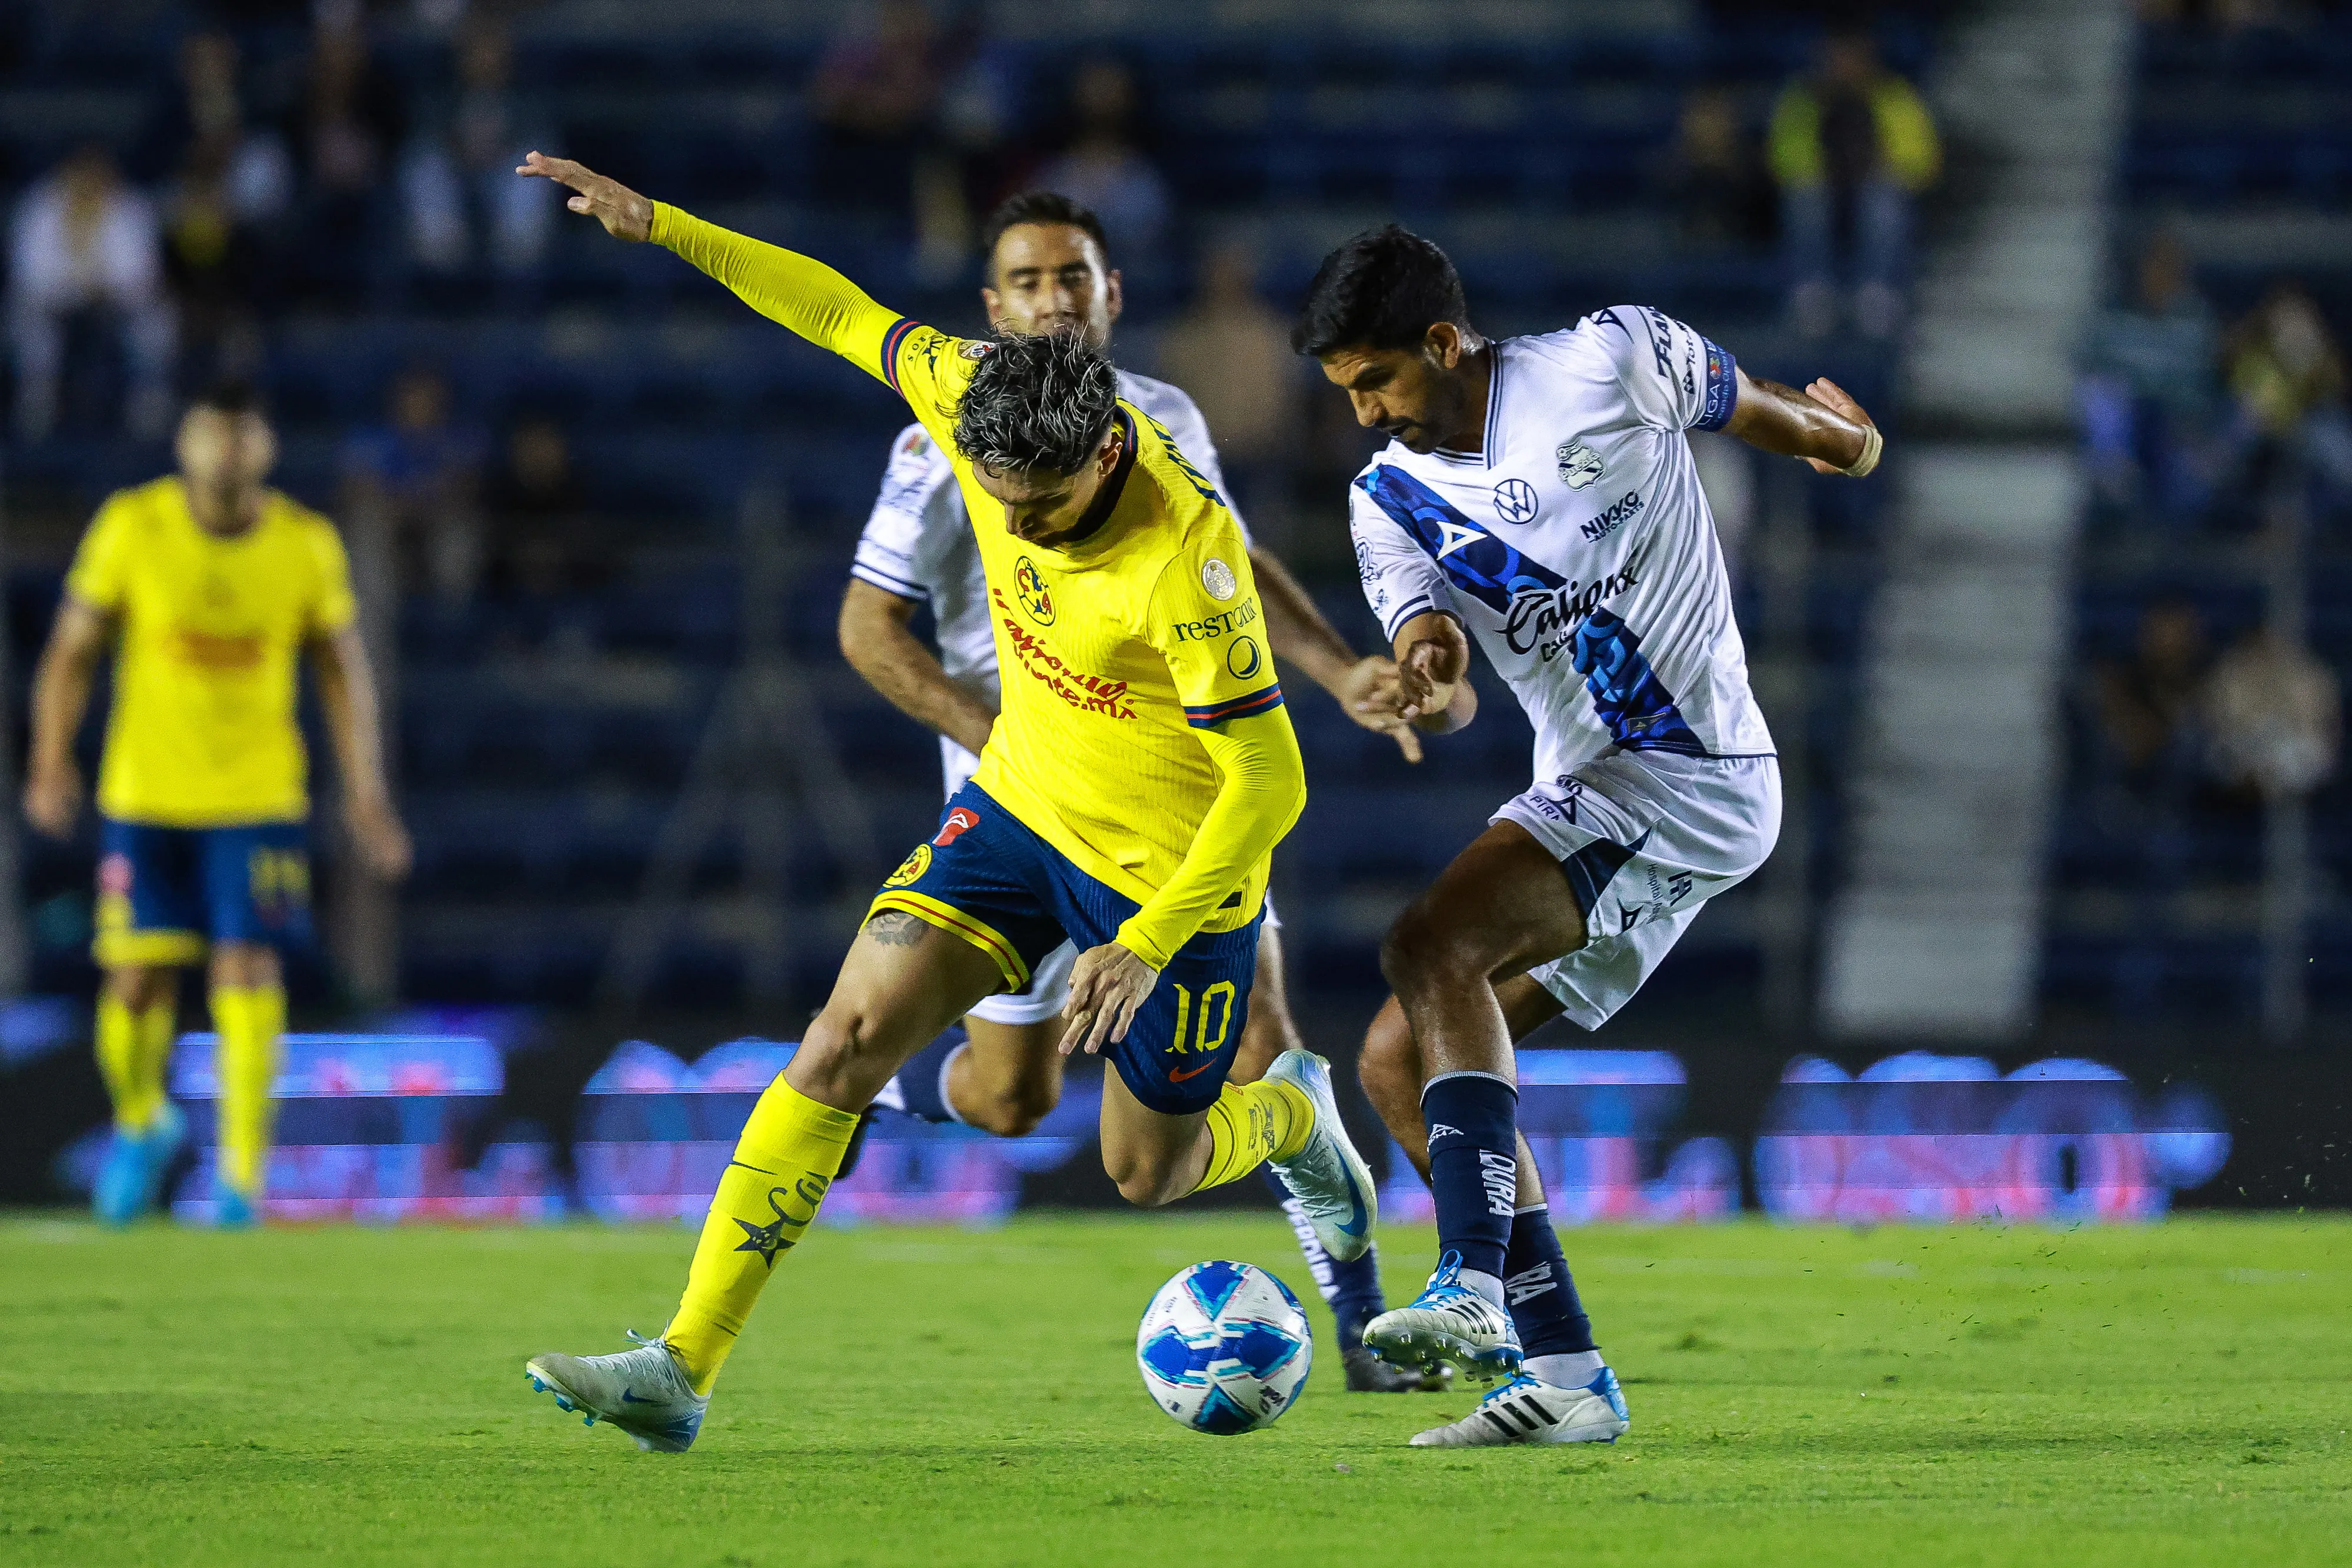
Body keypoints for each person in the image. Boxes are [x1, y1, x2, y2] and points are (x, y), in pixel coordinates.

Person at [513, 151, 1377, 1453]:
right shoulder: (974, 388)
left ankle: (1298, 1118)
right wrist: (663, 226)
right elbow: (831, 307)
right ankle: (680, 1365)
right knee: (842, 1040)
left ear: (1102, 451)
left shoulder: (1182, 553)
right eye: (1001, 505)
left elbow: (1271, 779)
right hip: (1019, 807)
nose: (1017, 531)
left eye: (1045, 507)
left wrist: (1144, 944)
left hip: (1169, 867)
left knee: (1146, 1170)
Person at [1297, 225, 1882, 1446]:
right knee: (1398, 1061)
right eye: (1345, 391)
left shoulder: (1612, 358)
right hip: (1598, 787)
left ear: (1443, 344)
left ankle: (1466, 1279)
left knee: (1428, 944)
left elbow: (1758, 407)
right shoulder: (1384, 499)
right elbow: (1434, 649)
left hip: (1691, 771)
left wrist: (1845, 437)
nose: (1361, 414)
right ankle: (1566, 1375)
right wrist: (1421, 672)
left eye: (1376, 383)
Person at [840, 189, 1431, 1395]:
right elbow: (867, 627)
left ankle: (1364, 1319)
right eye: (1028, 280)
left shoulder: (1159, 418)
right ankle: (896, 1082)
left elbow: (1227, 567)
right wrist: (1000, 726)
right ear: (991, 307)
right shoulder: (940, 437)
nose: (1054, 297)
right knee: (1010, 1101)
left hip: (1173, 806)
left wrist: (1333, 667)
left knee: (1266, 1048)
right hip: (1016, 813)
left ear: (1111, 294)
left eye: (1075, 276)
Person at [21, 381, 412, 1228]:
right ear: (186, 444)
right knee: (134, 980)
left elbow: (344, 672)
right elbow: (70, 652)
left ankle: (240, 1180)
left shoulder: (305, 544)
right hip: (147, 790)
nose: (228, 451)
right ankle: (142, 1120)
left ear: (265, 446)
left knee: (248, 968)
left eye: (244, 435)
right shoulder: (134, 526)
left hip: (257, 793)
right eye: (213, 434)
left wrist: (366, 792)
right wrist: (51, 758)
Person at [1766, 30, 1939, 339]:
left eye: (1852, 55)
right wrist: (1822, 171)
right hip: (1824, 192)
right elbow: (1782, 158)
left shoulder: (1894, 96)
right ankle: (1813, 294)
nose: (1845, 64)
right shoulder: (1804, 98)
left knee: (1883, 199)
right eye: (1837, 56)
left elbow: (1923, 161)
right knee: (1806, 197)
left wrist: (1886, 167)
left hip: (1873, 191)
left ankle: (1877, 294)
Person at [6, 145, 178, 441]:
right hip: (52, 305)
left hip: (115, 304)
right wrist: (76, 285)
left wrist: (102, 285)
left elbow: (142, 276)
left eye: (96, 172)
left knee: (157, 324)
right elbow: (29, 278)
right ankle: (36, 412)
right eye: (81, 172)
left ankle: (148, 412)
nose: (89, 180)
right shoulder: (39, 207)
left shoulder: (130, 207)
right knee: (33, 327)